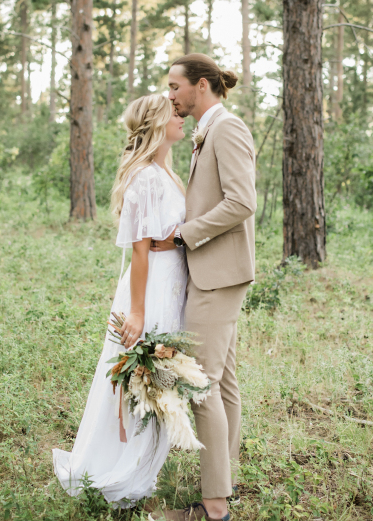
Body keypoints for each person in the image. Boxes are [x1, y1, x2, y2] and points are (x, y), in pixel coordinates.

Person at [53, 94, 188, 506]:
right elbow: (141, 250)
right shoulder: (145, 176)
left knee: (162, 371)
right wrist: (138, 309)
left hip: (173, 278)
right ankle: (123, 469)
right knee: (144, 373)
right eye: (174, 114)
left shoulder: (165, 171)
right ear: (156, 124)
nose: (181, 117)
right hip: (152, 283)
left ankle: (147, 459)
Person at [149, 54, 257, 521]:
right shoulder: (206, 131)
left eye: (176, 86)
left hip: (218, 275)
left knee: (199, 384)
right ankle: (223, 486)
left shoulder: (227, 128)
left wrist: (183, 235)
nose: (170, 94)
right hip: (216, 272)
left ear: (203, 85)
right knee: (224, 384)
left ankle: (213, 508)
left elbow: (242, 202)